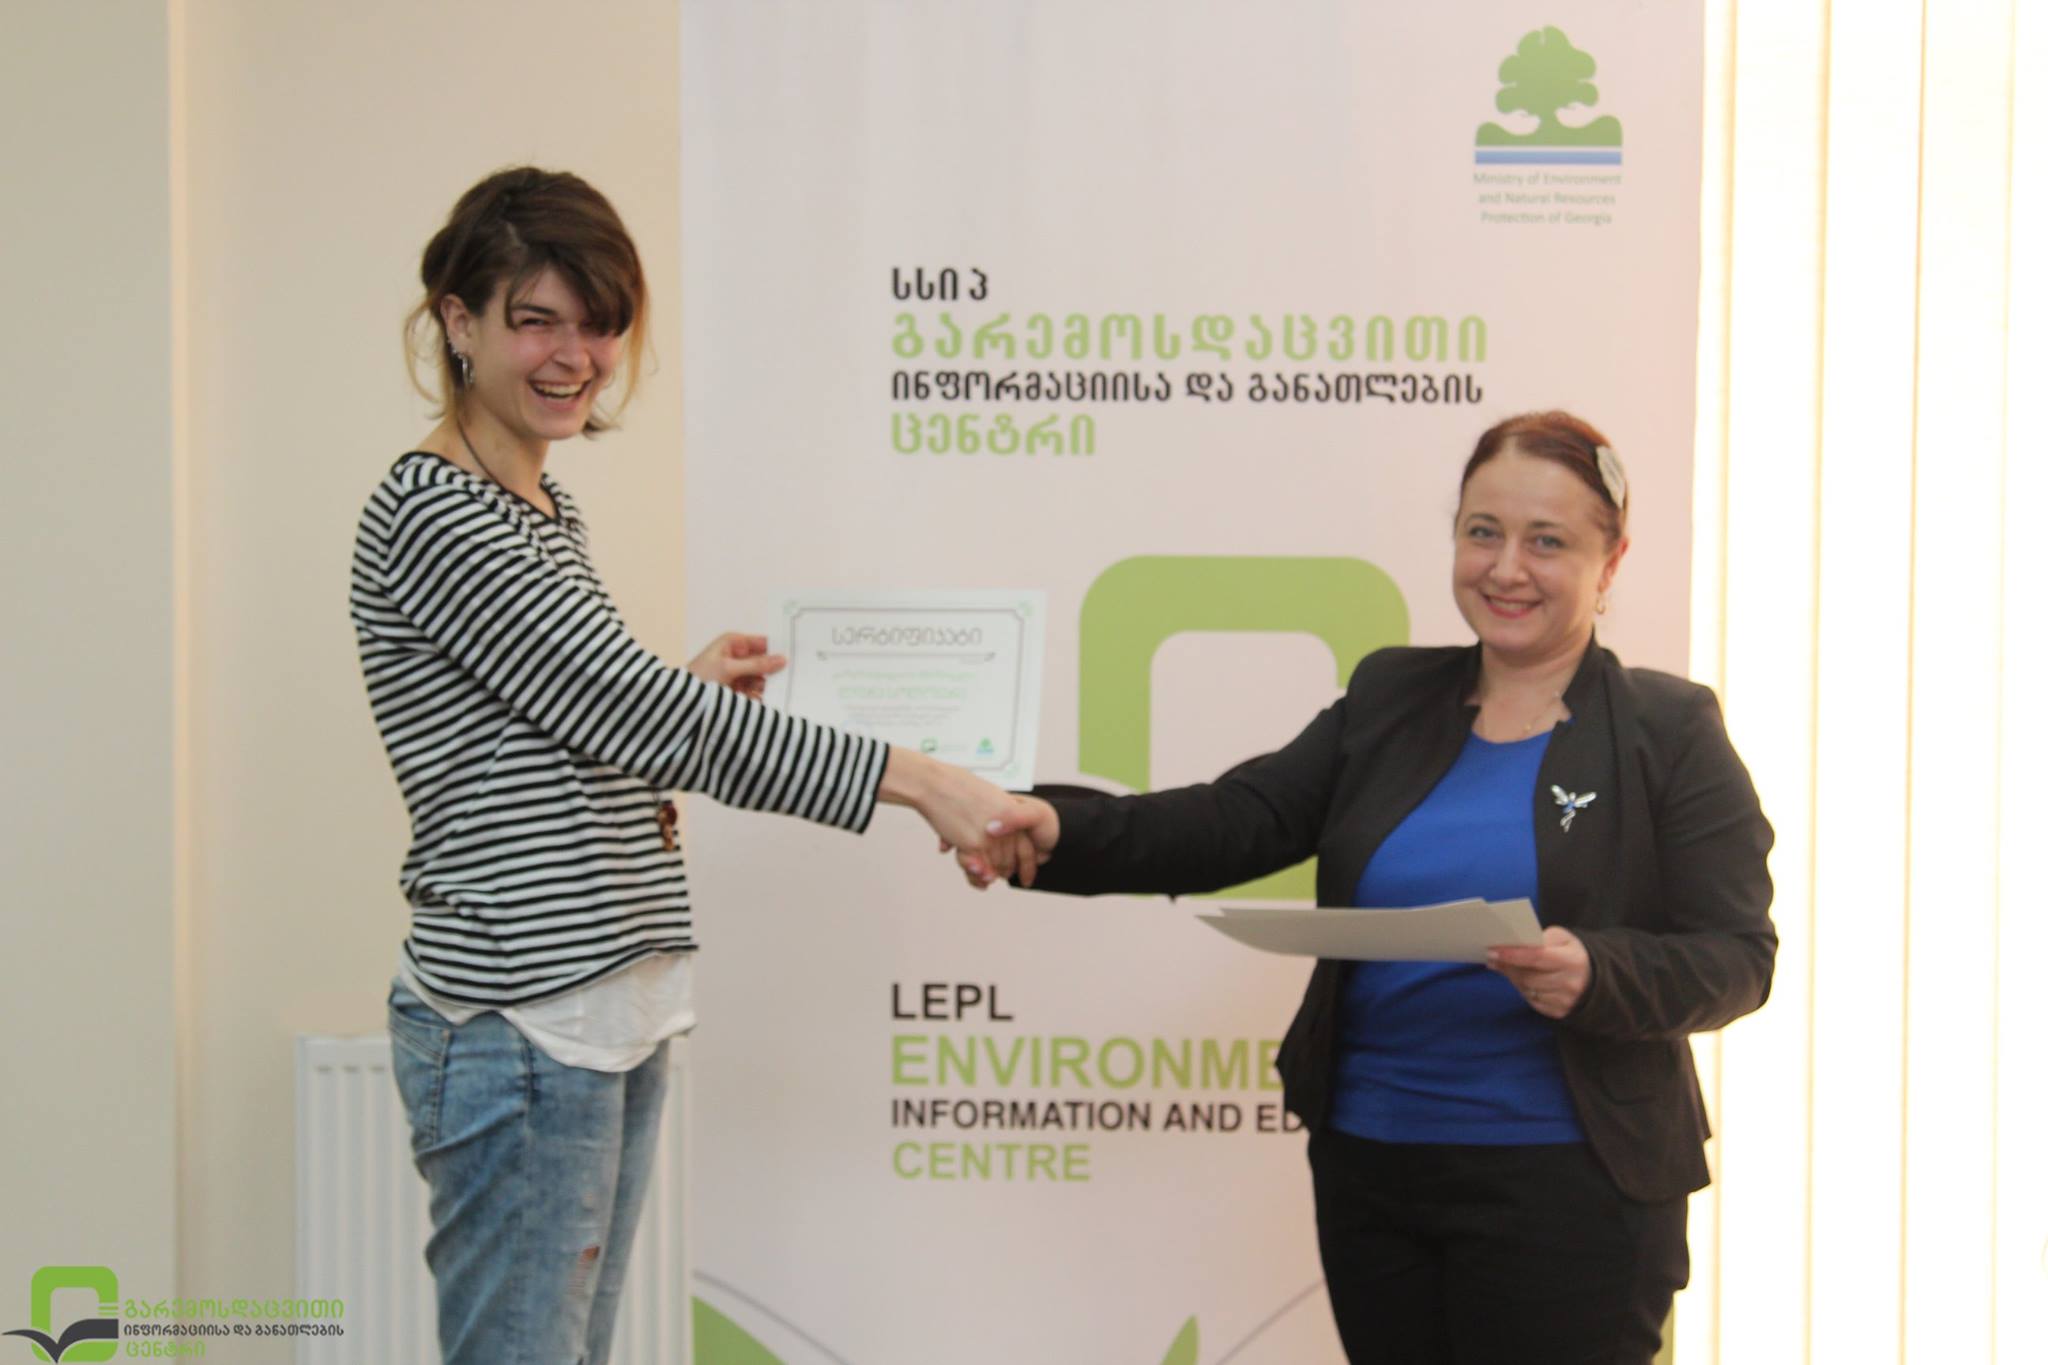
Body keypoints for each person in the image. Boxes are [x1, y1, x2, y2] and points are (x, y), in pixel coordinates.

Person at [349, 167, 1023, 1365]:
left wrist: (682, 689)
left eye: (599, 323)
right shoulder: (437, 512)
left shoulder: (537, 507)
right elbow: (627, 709)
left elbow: (570, 717)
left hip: (600, 998)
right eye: (536, 320)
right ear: (459, 321)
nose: (575, 356)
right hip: (523, 1015)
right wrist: (926, 783)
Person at [968, 411, 1775, 1364]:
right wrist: (1056, 826)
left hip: (1572, 1183)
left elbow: (1737, 957)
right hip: (1373, 1167)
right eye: (1482, 532)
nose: (1506, 568)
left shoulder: (1668, 731)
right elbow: (1235, 819)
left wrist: (1599, 972)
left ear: (1613, 561)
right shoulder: (1391, 697)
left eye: (1547, 542)